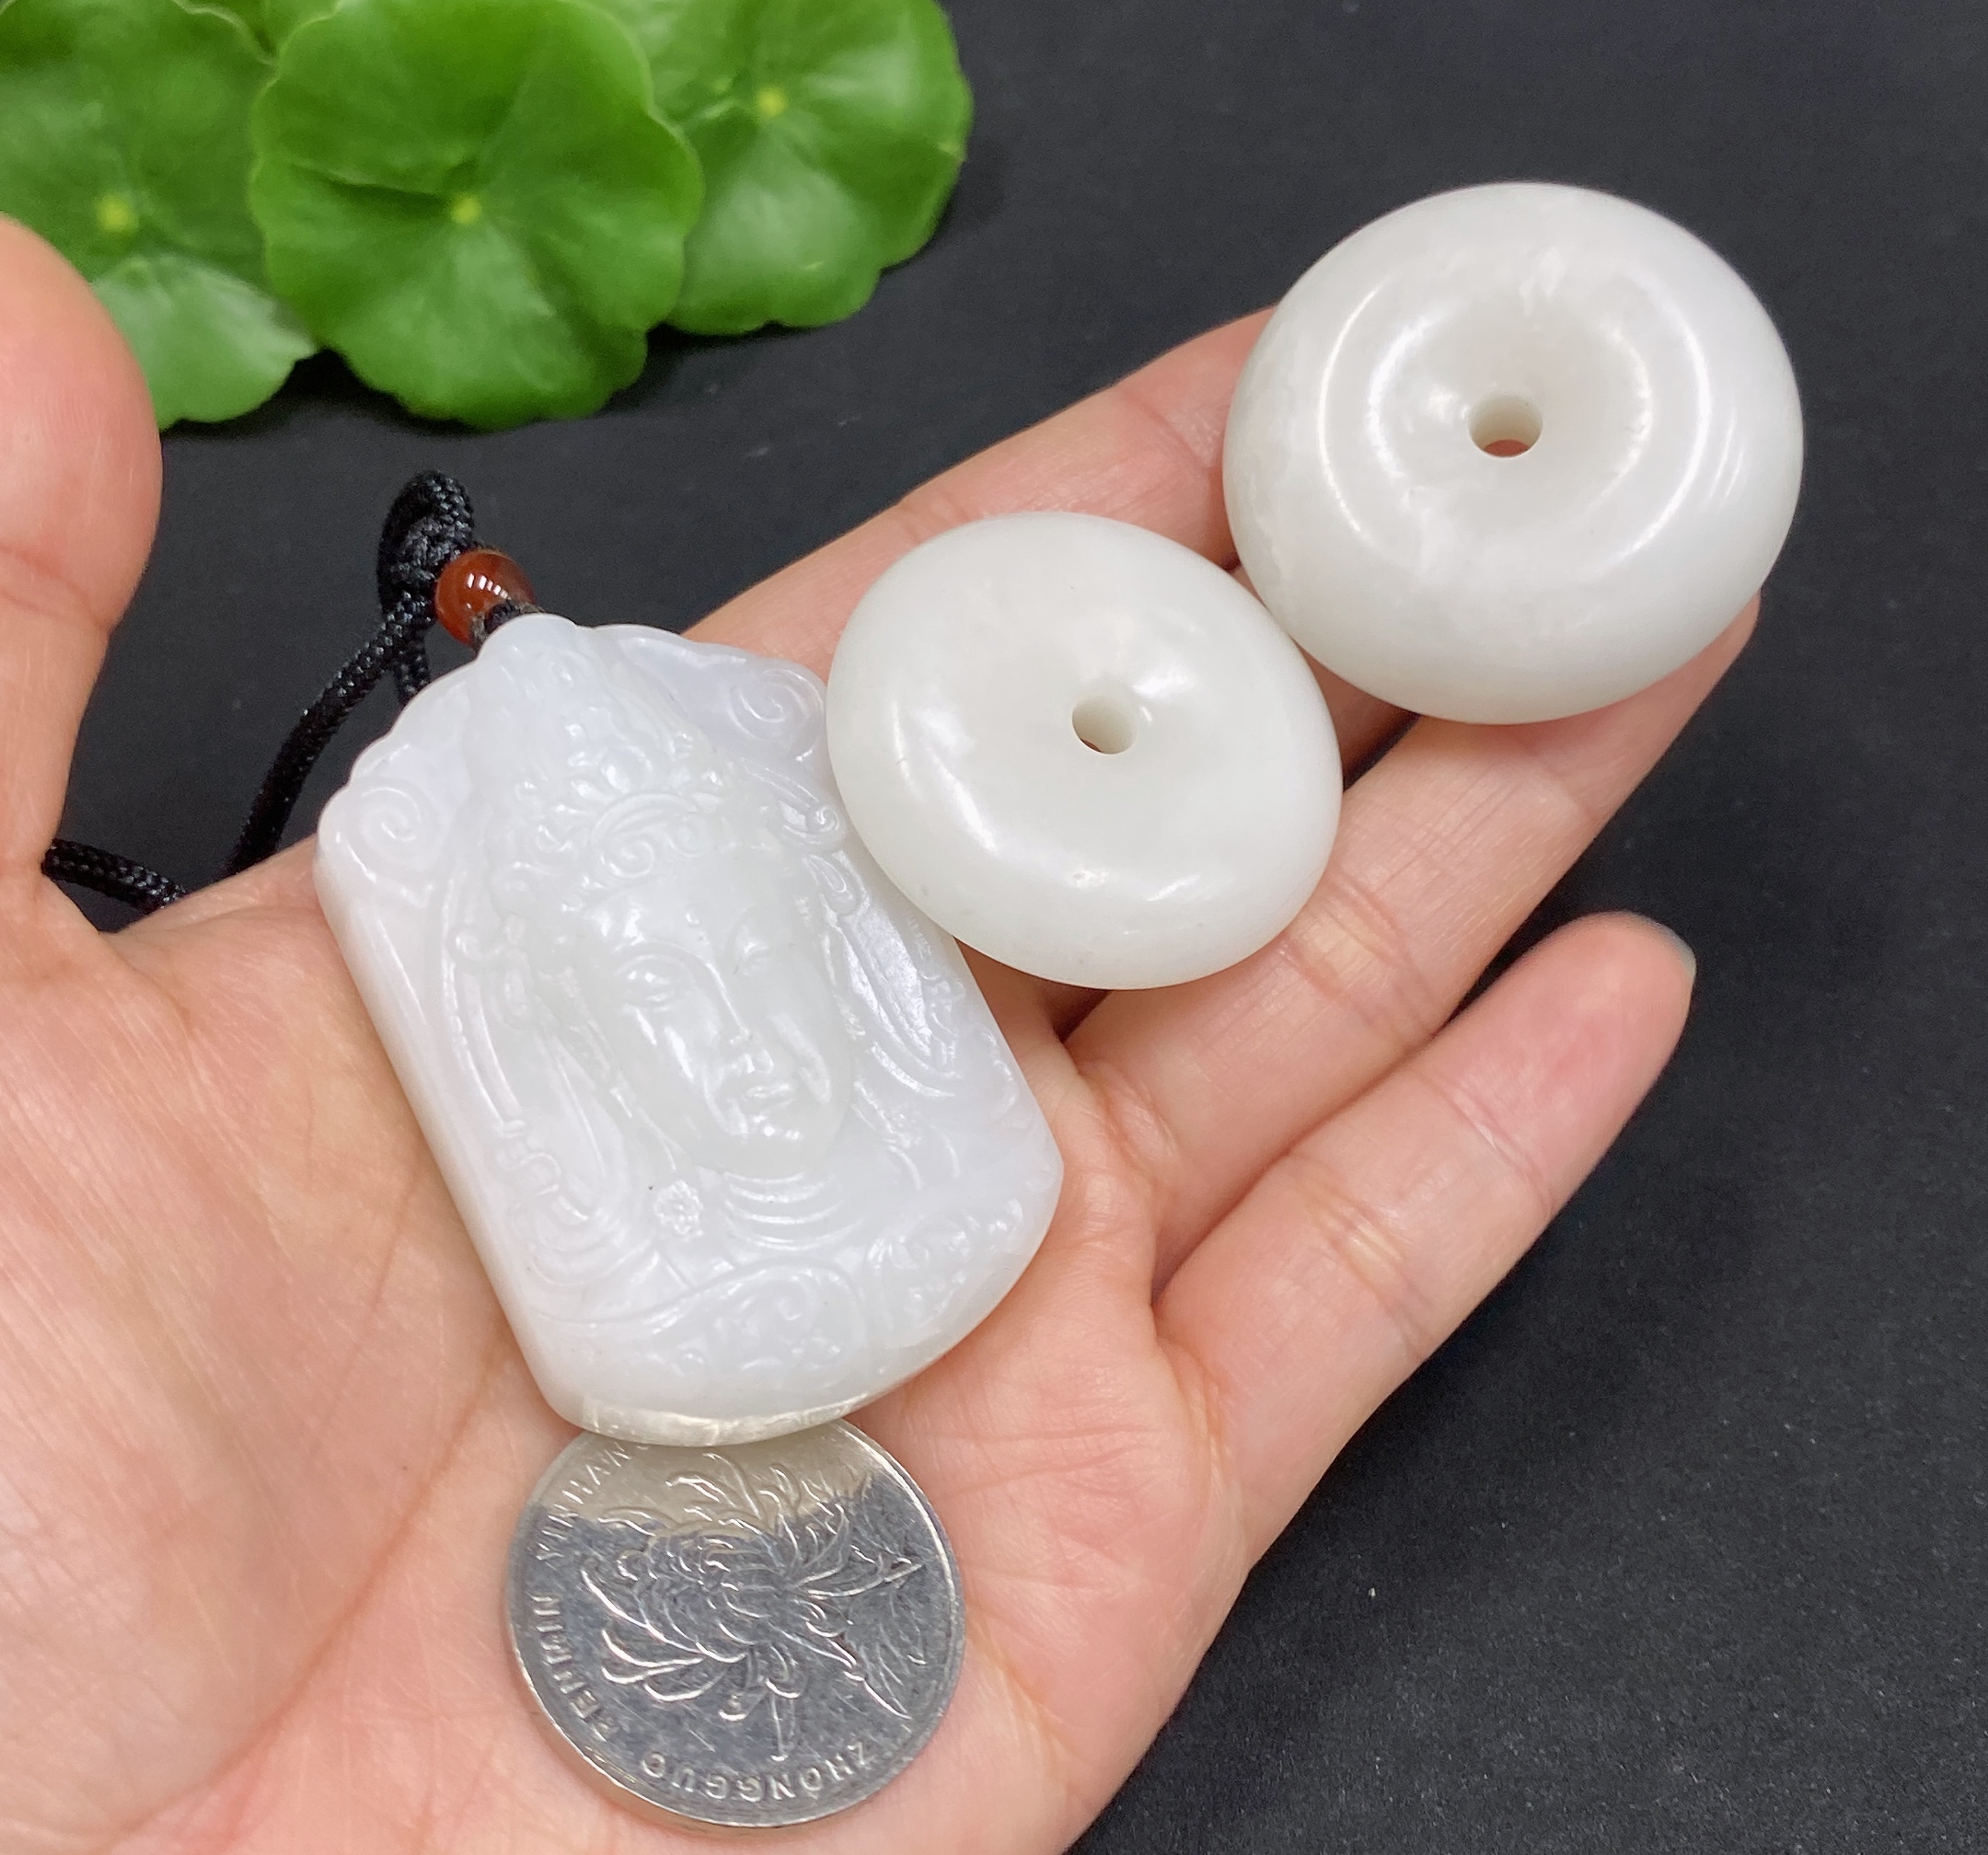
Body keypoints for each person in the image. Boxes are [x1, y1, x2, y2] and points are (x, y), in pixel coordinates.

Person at [0, 216, 1735, 1851]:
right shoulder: (621, 1242)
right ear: (561, 1030)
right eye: (660, 993)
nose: (742, 1033)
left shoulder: (951, 1181)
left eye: (760, 949)